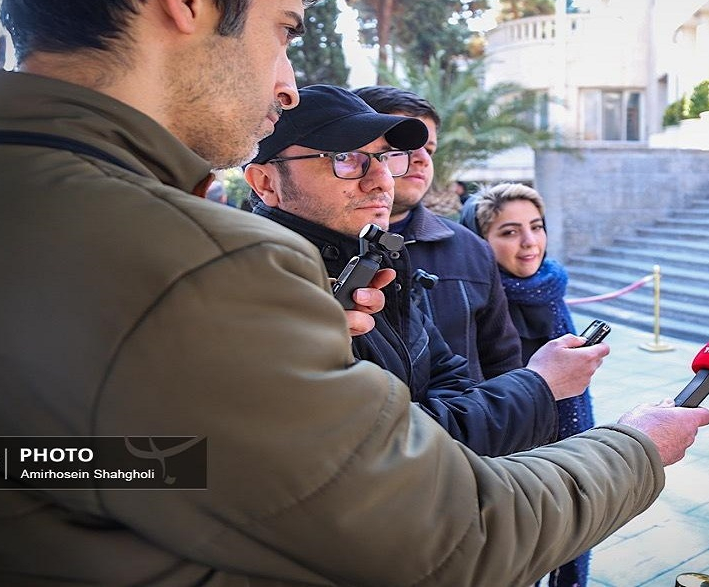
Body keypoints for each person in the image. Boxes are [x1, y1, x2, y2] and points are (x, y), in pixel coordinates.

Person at [0, 0, 709, 584]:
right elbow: (450, 536)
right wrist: (636, 447)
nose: (289, 83)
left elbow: (11, 466)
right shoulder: (196, 262)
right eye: (285, 31)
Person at [243, 85, 600, 457]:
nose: (381, 180)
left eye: (385, 157)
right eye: (345, 157)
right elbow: (386, 450)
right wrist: (540, 384)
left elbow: (450, 377)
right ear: (265, 182)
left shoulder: (379, 266)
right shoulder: (244, 290)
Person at [461, 183, 599, 587]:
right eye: (508, 232)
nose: (528, 243)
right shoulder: (476, 302)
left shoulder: (550, 285)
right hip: (508, 456)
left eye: (536, 227)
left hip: (568, 441)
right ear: (480, 242)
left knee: (569, 532)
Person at [355, 84, 523, 380]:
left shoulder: (471, 250)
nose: (422, 158)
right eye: (402, 146)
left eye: (429, 148)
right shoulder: (300, 248)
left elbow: (502, 364)